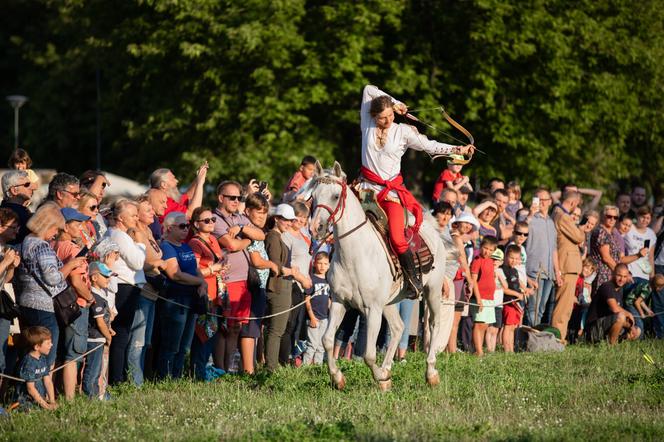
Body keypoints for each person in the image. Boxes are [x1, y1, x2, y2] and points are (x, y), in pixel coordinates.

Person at [358, 85, 473, 299]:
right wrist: (395, 101)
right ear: (373, 115)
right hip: (365, 191)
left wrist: (457, 149)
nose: (388, 120)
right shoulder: (367, 123)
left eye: (391, 115)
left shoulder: (402, 131)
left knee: (397, 237)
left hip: (389, 195)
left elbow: (430, 145)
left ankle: (412, 279)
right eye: (383, 117)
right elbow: (368, 89)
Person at [15, 203, 87, 369]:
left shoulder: (26, 241)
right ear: (47, 225)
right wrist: (71, 264)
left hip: (26, 301)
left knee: (30, 353)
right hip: (43, 304)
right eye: (56, 229)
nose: (56, 234)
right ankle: (39, 393)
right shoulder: (42, 247)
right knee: (46, 354)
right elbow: (53, 278)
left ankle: (23, 393)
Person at [212, 180, 266, 373]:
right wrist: (247, 238)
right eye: (232, 197)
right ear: (221, 198)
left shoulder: (239, 219)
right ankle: (220, 369)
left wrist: (242, 231)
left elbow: (260, 234)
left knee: (236, 327)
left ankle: (229, 370)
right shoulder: (215, 219)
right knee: (225, 327)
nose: (236, 201)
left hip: (244, 280)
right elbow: (231, 245)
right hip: (228, 280)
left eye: (239, 197)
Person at [157, 212, 207, 379]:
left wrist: (203, 282)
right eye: (182, 226)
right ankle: (165, 378)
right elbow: (174, 274)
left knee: (184, 345)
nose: (187, 229)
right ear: (169, 228)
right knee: (172, 344)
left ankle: (176, 377)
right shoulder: (166, 247)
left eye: (187, 226)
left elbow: (195, 268)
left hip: (191, 299)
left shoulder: (185, 246)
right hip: (176, 300)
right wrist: (198, 282)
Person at [54, 207, 95, 400]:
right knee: (74, 352)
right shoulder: (71, 248)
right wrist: (90, 297)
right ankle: (70, 398)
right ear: (64, 225)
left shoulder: (52, 244)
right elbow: (77, 280)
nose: (81, 227)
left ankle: (57, 391)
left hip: (59, 303)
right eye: (77, 224)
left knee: (61, 350)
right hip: (76, 303)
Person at [126, 194, 167, 385]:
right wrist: (158, 264)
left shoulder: (149, 231)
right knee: (137, 340)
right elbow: (141, 262)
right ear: (138, 214)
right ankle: (134, 382)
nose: (153, 212)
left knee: (146, 341)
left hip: (153, 292)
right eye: (147, 210)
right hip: (142, 290)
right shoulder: (135, 232)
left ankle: (141, 378)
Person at [104, 199, 146, 384]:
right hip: (124, 287)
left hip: (126, 286)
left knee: (122, 335)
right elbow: (137, 262)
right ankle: (117, 379)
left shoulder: (115, 234)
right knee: (121, 335)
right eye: (133, 215)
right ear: (120, 217)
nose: (137, 218)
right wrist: (141, 244)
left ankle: (117, 377)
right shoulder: (120, 236)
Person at [264, 204, 307, 371]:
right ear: (276, 219)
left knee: (279, 330)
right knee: (276, 331)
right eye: (285, 220)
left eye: (291, 220)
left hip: (284, 286)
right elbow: (275, 265)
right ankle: (271, 369)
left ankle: (272, 366)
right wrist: (294, 273)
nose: (289, 223)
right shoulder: (273, 237)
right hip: (278, 286)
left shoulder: (279, 236)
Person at [188, 206, 226, 380]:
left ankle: (202, 370)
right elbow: (193, 270)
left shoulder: (212, 239)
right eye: (206, 220)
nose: (211, 223)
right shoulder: (195, 242)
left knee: (212, 334)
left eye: (213, 220)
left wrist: (220, 269)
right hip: (205, 294)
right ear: (196, 224)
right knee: (203, 335)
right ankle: (198, 373)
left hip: (216, 294)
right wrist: (212, 269)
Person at [244, 193, 278, 372]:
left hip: (261, 286)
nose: (262, 216)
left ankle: (253, 365)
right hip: (253, 285)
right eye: (258, 212)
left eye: (265, 212)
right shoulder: (250, 231)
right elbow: (256, 260)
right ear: (248, 211)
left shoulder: (257, 229)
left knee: (256, 329)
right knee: (250, 329)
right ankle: (248, 369)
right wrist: (271, 264)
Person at [280, 202, 313, 365]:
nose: (302, 220)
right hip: (292, 283)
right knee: (287, 325)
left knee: (295, 325)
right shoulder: (286, 236)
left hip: (303, 286)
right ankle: (282, 360)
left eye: (305, 217)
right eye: (299, 216)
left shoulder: (304, 237)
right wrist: (302, 278)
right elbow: (286, 262)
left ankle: (292, 357)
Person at [551, 190, 585, 343]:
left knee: (565, 305)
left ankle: (559, 336)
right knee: (563, 306)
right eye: (576, 205)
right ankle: (557, 338)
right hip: (567, 264)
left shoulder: (558, 213)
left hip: (568, 264)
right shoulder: (563, 216)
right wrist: (581, 230)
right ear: (573, 203)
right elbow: (578, 237)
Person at [524, 188, 561, 326]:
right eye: (539, 199)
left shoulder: (551, 223)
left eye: (545, 200)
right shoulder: (530, 218)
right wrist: (530, 213)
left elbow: (554, 250)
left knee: (541, 309)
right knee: (532, 308)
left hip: (549, 273)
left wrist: (557, 273)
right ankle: (529, 339)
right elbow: (521, 229)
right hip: (534, 270)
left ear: (550, 202)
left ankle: (535, 337)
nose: (542, 203)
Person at [589, 206, 646, 291]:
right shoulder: (601, 232)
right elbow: (606, 258)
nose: (612, 219)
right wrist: (621, 273)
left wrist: (638, 255)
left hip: (610, 274)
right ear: (603, 216)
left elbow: (619, 258)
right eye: (609, 216)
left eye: (615, 217)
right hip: (602, 275)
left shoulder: (611, 233)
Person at [82, 262, 115, 399]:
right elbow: (100, 323)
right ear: (94, 277)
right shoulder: (96, 297)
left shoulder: (101, 296)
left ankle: (100, 394)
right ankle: (92, 396)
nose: (109, 279)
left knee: (100, 369)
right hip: (95, 339)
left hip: (99, 338)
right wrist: (108, 336)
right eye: (106, 276)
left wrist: (109, 329)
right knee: (93, 370)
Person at [585, 264, 640, 344]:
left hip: (606, 325)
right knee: (621, 316)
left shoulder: (620, 289)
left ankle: (610, 341)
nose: (622, 279)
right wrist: (629, 314)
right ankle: (612, 345)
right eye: (619, 276)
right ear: (613, 273)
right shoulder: (607, 286)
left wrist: (631, 326)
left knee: (637, 330)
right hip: (593, 328)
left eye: (625, 277)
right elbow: (615, 308)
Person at [0, 209, 21, 383]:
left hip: (2, 305)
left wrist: (12, 267)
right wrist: (6, 262)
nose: (16, 231)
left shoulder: (6, 248)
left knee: (2, 353)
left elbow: (5, 280)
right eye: (12, 227)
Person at [469, 236, 498, 356]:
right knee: (479, 323)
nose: (487, 252)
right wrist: (479, 298)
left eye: (491, 250)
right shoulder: (477, 260)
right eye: (485, 248)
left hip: (489, 298)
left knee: (485, 325)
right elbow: (473, 280)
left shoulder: (491, 261)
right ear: (481, 247)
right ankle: (479, 351)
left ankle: (478, 349)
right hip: (480, 297)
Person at [16, 326, 57, 410]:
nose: (52, 345)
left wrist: (52, 401)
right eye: (48, 343)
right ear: (37, 347)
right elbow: (30, 389)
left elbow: (48, 381)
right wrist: (46, 406)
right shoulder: (29, 363)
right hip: (26, 402)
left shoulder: (42, 358)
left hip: (39, 401)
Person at [302, 252, 331, 365]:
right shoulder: (312, 280)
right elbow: (307, 300)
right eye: (319, 263)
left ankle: (317, 369)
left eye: (325, 264)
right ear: (314, 264)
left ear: (329, 265)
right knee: (312, 345)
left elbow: (329, 299)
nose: (322, 266)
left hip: (325, 318)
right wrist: (312, 317)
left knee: (321, 346)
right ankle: (305, 369)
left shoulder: (328, 281)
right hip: (314, 318)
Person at [501, 245, 531, 352]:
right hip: (509, 302)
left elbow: (518, 282)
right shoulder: (503, 270)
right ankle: (506, 349)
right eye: (511, 258)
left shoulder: (514, 271)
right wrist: (517, 294)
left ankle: (511, 349)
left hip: (516, 302)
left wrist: (525, 289)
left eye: (516, 259)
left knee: (513, 327)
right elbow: (503, 289)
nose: (514, 261)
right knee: (508, 327)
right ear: (506, 256)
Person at [624, 206, 657, 286]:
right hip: (629, 273)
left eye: (648, 218)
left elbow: (651, 257)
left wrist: (652, 277)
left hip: (644, 275)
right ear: (637, 216)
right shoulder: (629, 228)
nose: (645, 220)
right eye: (643, 217)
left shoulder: (651, 234)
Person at [1, 170, 33, 245]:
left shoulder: (4, 208)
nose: (32, 187)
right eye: (27, 184)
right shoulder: (17, 214)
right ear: (14, 190)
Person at [79, 170, 111, 238]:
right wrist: (100, 178)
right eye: (99, 188)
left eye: (103, 189)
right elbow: (90, 196)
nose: (102, 193)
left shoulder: (102, 214)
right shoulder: (76, 216)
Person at [485, 248, 506, 353]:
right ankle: (489, 349)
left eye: (497, 260)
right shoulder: (487, 270)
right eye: (493, 259)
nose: (495, 262)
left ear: (501, 262)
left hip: (499, 304)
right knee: (489, 328)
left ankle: (492, 351)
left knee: (496, 329)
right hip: (489, 304)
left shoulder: (500, 271)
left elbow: (505, 286)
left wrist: (499, 276)